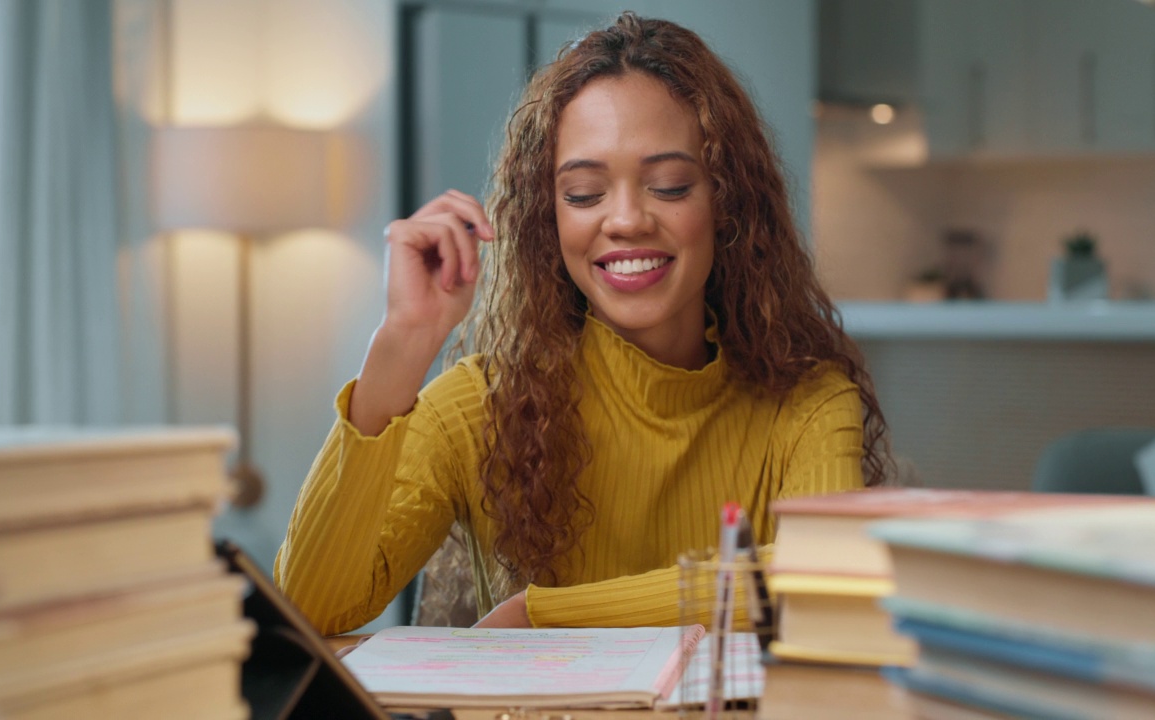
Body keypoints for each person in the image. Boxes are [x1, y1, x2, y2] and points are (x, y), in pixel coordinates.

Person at [275, 11, 890, 635]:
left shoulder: (808, 404)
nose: (624, 220)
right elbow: (309, 611)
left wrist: (543, 614)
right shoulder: (479, 406)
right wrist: (403, 343)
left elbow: (825, 577)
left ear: (728, 202)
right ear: (549, 219)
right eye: (584, 194)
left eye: (671, 186)